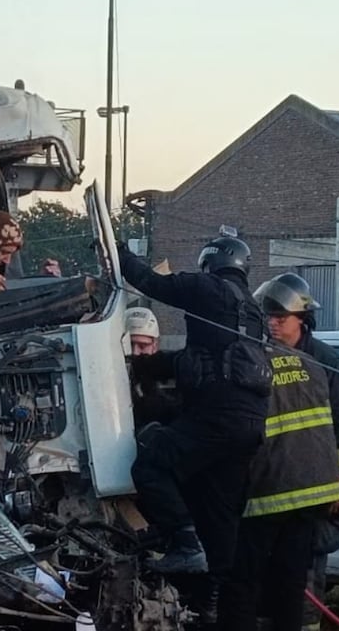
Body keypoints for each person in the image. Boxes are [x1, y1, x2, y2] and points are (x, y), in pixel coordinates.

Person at [118, 235, 271, 623]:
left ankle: (184, 542)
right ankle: (209, 607)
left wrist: (118, 253)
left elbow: (152, 283)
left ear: (210, 264)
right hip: (249, 428)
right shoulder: (251, 311)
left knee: (150, 462)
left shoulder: (205, 288)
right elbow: (200, 359)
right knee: (220, 515)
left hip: (215, 417)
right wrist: (149, 366)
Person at [253, 273, 339, 631]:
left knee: (306, 585)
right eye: (268, 317)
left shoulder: (328, 363)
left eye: (280, 318)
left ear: (303, 319)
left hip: (314, 496)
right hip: (272, 492)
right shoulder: (261, 358)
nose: (272, 324)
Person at [219, 342, 339, 631]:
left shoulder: (247, 363)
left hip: (266, 493)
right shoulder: (311, 363)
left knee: (242, 581)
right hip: (309, 494)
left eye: (279, 318)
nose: (275, 324)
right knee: (292, 582)